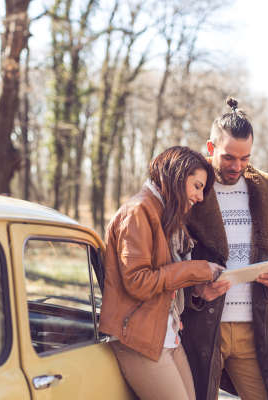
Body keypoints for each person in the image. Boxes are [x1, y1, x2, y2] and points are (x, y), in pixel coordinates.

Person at [181, 97, 268, 400]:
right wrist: (194, 292)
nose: (237, 166)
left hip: (255, 328)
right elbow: (167, 260)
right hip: (202, 327)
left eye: (245, 158)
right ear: (210, 149)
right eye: (229, 158)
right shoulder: (187, 193)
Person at [99, 146, 225, 400]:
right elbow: (138, 282)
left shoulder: (166, 216)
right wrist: (199, 269)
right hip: (137, 338)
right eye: (197, 186)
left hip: (165, 333)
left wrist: (199, 288)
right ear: (177, 177)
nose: (200, 197)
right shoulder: (138, 212)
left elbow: (165, 280)